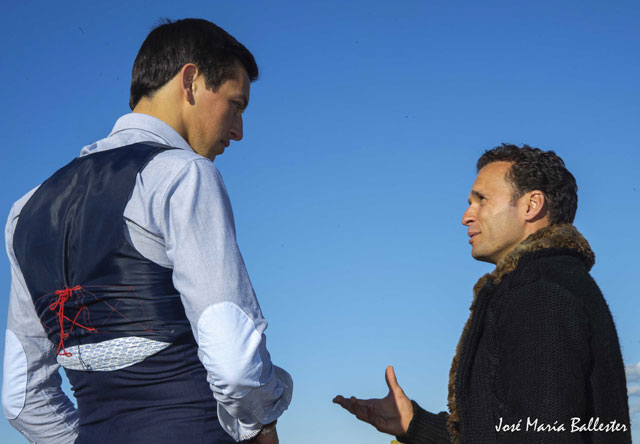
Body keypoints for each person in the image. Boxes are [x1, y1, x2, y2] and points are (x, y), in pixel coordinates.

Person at [2, 18, 291, 444]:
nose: (238, 131)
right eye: (236, 104)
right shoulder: (183, 176)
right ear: (190, 81)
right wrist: (262, 422)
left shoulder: (24, 211)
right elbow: (234, 366)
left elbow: (21, 398)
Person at [333, 144, 631, 443]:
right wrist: (414, 423)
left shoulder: (540, 292)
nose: (466, 216)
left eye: (481, 200)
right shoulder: (548, 283)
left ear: (531, 205)